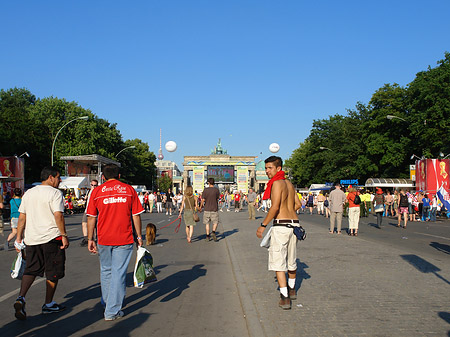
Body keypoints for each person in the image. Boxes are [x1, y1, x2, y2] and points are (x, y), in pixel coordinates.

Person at [86, 164, 144, 321]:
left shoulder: (97, 192)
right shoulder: (129, 190)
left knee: (106, 270)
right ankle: (112, 311)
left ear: (103, 177)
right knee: (119, 273)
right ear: (119, 176)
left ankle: (108, 302)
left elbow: (91, 217)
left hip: (103, 238)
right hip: (123, 238)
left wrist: (90, 238)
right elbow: (136, 215)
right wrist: (139, 236)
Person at [13, 166, 69, 320]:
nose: (60, 181)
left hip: (31, 238)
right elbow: (58, 215)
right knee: (53, 271)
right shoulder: (55, 193)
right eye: (58, 177)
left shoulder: (29, 193)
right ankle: (48, 304)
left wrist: (19, 238)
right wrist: (64, 235)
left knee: (31, 269)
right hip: (51, 237)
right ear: (51, 177)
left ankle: (21, 297)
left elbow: (22, 217)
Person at [256, 156, 301, 310]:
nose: (266, 171)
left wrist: (263, 225)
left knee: (278, 263)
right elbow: (298, 204)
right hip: (294, 225)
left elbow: (274, 207)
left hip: (281, 227)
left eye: (270, 168)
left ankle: (285, 297)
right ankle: (292, 289)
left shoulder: (276, 183)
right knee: (292, 260)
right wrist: (288, 213)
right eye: (266, 168)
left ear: (278, 169)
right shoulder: (289, 184)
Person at [200, 178, 220, 242]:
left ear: (208, 183)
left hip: (207, 209)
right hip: (214, 208)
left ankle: (207, 236)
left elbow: (203, 200)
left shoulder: (205, 190)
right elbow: (217, 199)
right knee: (215, 222)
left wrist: (200, 207)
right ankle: (213, 232)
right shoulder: (216, 190)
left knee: (207, 223)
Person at [80, 180, 98, 247]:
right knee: (84, 223)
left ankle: (95, 238)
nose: (93, 186)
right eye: (92, 185)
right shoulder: (88, 192)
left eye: (95, 185)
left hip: (95, 211)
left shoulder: (97, 192)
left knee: (94, 226)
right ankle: (86, 238)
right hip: (87, 210)